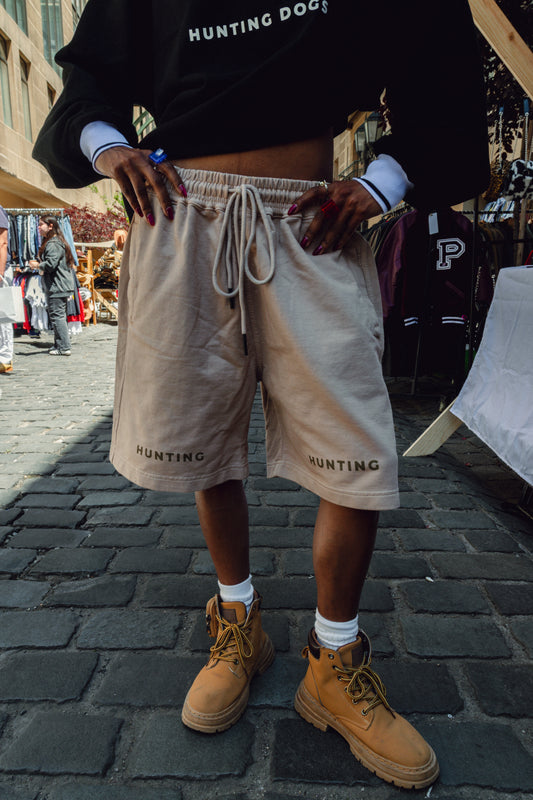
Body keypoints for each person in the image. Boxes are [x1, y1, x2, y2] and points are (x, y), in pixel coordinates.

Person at [33, 0, 489, 789]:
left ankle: (334, 660)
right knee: (202, 435)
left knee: (354, 442)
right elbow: (92, 71)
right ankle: (237, 622)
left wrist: (380, 182)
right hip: (178, 212)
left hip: (312, 220)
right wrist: (110, 149)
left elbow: (435, 57)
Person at [29, 216, 76, 356]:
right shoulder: (54, 242)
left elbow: (51, 264)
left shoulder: (53, 243)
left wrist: (37, 265)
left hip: (57, 285)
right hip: (59, 284)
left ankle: (64, 347)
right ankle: (59, 344)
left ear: (50, 226)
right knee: (58, 316)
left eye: (41, 225)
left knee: (57, 316)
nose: (38, 227)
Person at [0, 205, 14, 374]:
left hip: (1, 270)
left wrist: (1, 271)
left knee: (3, 315)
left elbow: (3, 242)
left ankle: (4, 357)